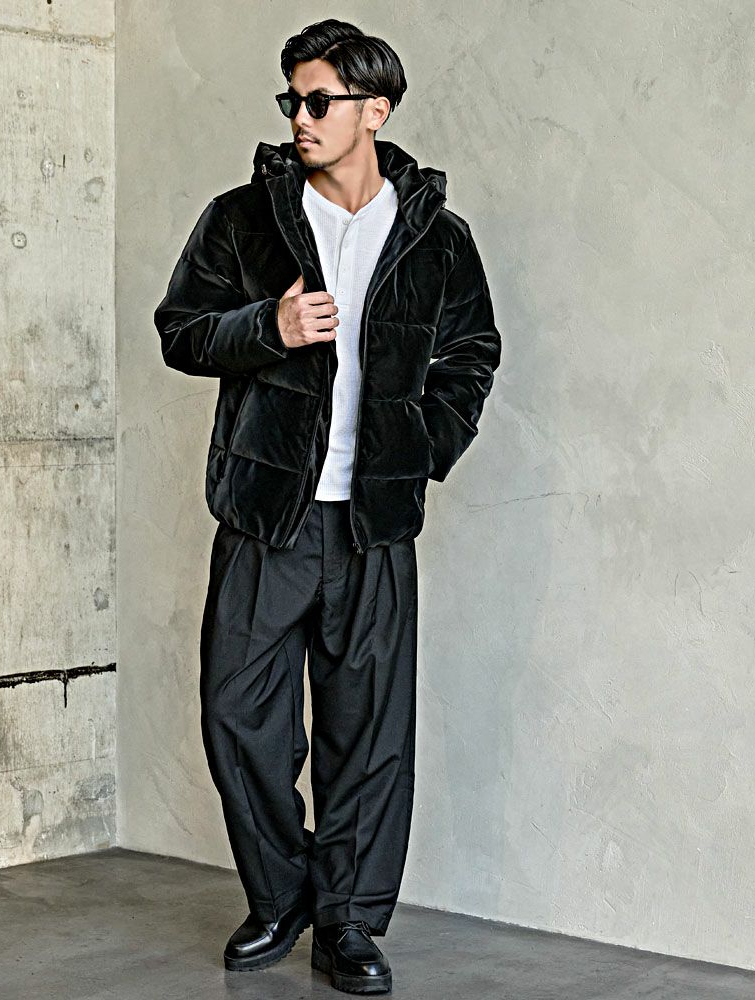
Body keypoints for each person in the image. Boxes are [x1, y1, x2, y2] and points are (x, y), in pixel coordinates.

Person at [154, 18, 501, 995]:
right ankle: (282, 894)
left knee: (368, 733)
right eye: (291, 100)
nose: (299, 119)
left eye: (318, 101)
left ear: (374, 110)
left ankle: (348, 922)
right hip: (267, 514)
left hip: (372, 525)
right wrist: (267, 325)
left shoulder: (435, 238)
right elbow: (181, 331)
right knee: (236, 713)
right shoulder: (244, 219)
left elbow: (470, 354)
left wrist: (418, 453)